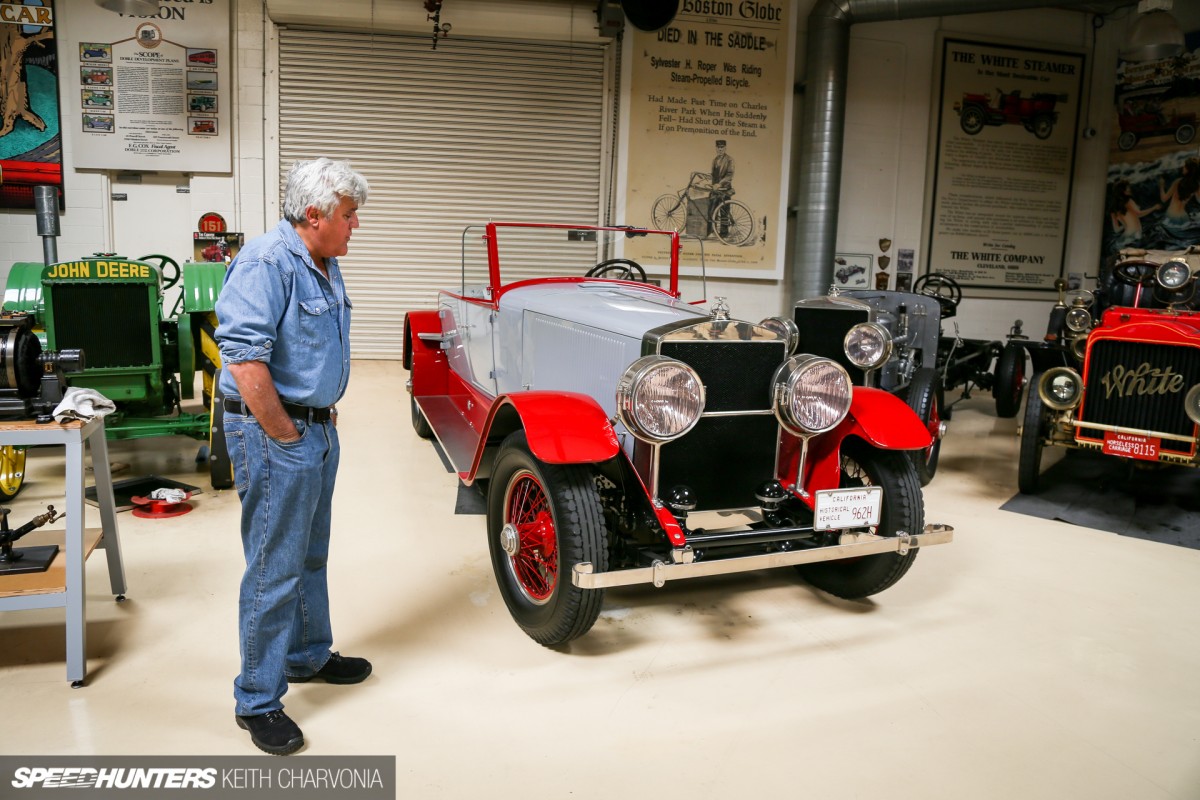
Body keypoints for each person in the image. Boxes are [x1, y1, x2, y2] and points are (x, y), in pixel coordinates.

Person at [215, 158, 370, 756]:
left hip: (313, 430)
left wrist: (320, 412)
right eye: (349, 216)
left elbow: (306, 349)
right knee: (273, 566)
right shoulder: (266, 262)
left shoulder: (323, 263)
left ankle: (306, 655)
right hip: (276, 437)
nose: (355, 226)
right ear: (315, 215)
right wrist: (285, 434)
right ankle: (257, 699)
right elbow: (245, 361)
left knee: (308, 552)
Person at [710, 139, 735, 237]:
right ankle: (713, 231)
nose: (720, 149)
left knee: (724, 211)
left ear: (725, 148)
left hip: (724, 189)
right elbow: (713, 175)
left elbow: (730, 175)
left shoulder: (729, 160)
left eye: (722, 147)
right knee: (712, 209)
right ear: (716, 148)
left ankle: (724, 234)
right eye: (718, 148)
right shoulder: (715, 160)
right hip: (715, 189)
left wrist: (719, 184)